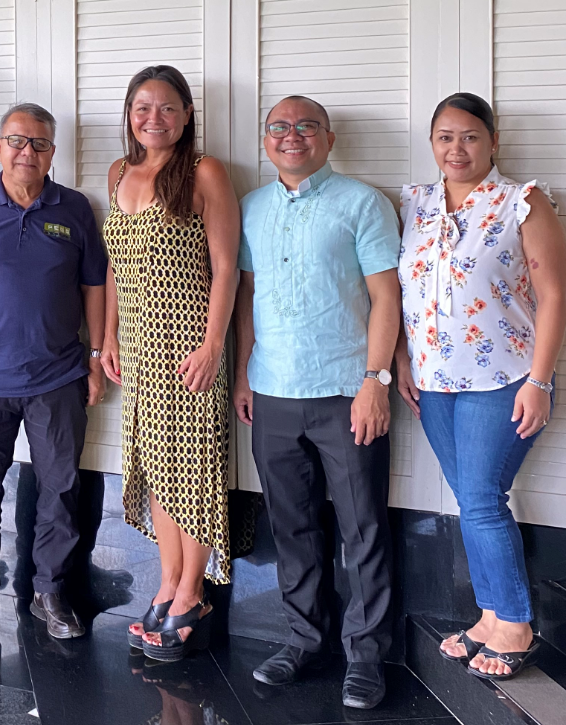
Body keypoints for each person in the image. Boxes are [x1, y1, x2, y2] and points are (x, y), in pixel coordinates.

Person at [234, 95, 401, 709]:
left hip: (345, 394)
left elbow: (388, 298)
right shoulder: (250, 208)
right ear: (265, 139)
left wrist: (375, 381)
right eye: (279, 127)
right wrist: (246, 376)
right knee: (292, 526)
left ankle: (367, 655)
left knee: (363, 529)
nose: (292, 135)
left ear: (328, 138)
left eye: (306, 126)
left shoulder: (363, 203)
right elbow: (248, 298)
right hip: (272, 392)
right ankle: (305, 640)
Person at [395, 93, 565, 681]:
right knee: (472, 500)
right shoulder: (414, 203)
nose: (456, 148)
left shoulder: (523, 202)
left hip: (504, 379)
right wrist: (400, 359)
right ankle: (490, 616)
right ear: (433, 144)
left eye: (469, 136)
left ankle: (515, 624)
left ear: (493, 142)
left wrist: (540, 381)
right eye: (444, 137)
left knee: (483, 500)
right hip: (435, 384)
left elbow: (554, 297)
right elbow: (398, 294)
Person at [0, 103, 108, 641]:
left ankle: (50, 592)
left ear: (53, 152)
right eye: (16, 141)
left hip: (57, 378)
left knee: (60, 488)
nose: (26, 152)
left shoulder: (75, 208)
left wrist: (97, 357)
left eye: (38, 144)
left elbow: (95, 287)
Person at [100, 66, 240, 663]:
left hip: (189, 345)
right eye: (141, 107)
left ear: (186, 114)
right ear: (129, 113)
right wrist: (106, 336)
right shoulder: (116, 173)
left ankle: (191, 592)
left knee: (194, 470)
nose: (153, 117)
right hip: (136, 348)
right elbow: (112, 267)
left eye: (166, 108)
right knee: (157, 469)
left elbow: (227, 268)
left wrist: (213, 346)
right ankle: (165, 582)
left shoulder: (204, 172)